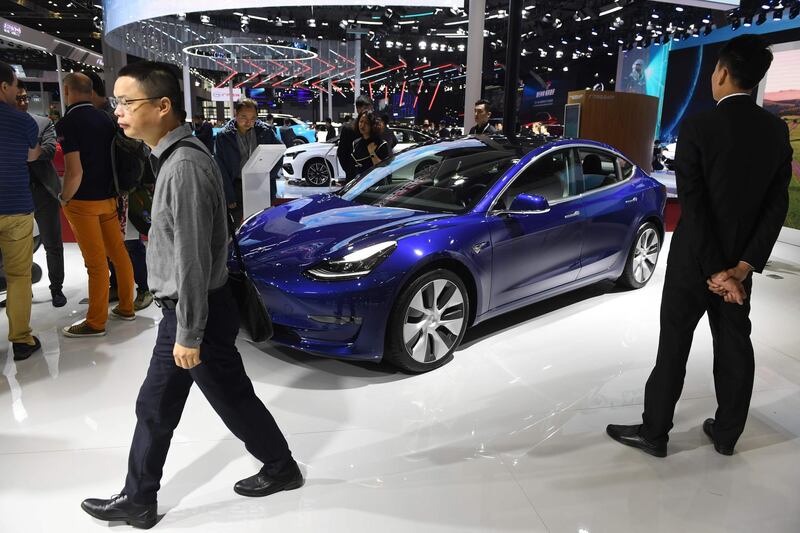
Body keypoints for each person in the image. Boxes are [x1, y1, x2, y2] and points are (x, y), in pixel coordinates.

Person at [81, 60, 302, 529]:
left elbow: (193, 262)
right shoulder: (177, 157)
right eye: (117, 101)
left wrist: (189, 332)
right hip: (187, 312)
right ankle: (139, 499)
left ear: (162, 107)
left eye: (127, 102)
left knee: (228, 396)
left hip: (193, 311)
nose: (118, 111)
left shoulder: (183, 167)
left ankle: (281, 466)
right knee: (158, 405)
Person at [607, 35, 793, 457]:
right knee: (734, 344)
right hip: (739, 270)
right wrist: (742, 268)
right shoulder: (776, 130)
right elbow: (775, 205)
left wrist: (714, 272)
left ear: (723, 73)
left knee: (674, 342)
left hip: (695, 261)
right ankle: (726, 435)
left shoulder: (698, 126)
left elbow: (695, 203)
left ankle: (655, 432)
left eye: (713, 71)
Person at [56, 73, 135, 337]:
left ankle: (96, 321)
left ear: (67, 91)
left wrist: (64, 198)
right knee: (118, 254)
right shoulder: (106, 118)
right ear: (90, 91)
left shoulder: (69, 122)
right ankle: (126, 306)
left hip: (83, 202)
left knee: (96, 264)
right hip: (109, 199)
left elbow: (74, 171)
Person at [0, 60, 42, 361]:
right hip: (16, 207)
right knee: (18, 276)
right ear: (4, 87)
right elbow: (32, 156)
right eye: (16, 85)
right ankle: (21, 340)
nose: (18, 91)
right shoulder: (23, 121)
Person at [15, 81, 66, 308]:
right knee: (18, 247)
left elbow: (47, 151)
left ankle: (57, 290)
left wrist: (19, 150)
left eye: (26, 98)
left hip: (44, 191)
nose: (24, 102)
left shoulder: (43, 123)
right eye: (19, 98)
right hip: (15, 195)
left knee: (52, 244)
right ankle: (22, 291)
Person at [214, 99, 282, 224]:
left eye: (253, 118)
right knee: (236, 228)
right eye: (243, 117)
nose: (248, 121)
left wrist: (268, 177)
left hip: (262, 185)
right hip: (237, 187)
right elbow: (220, 168)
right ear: (236, 114)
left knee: (263, 224)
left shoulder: (266, 132)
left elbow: (280, 152)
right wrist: (229, 195)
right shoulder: (223, 137)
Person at [337, 95, 373, 183]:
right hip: (354, 176)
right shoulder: (348, 128)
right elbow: (342, 153)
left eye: (370, 108)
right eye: (365, 108)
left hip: (373, 174)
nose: (368, 111)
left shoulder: (375, 126)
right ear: (358, 109)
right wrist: (350, 171)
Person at [351, 111, 391, 177]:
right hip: (359, 183)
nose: (362, 125)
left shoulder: (381, 144)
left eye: (366, 123)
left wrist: (372, 153)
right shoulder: (355, 143)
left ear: (373, 126)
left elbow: (384, 170)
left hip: (375, 183)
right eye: (361, 122)